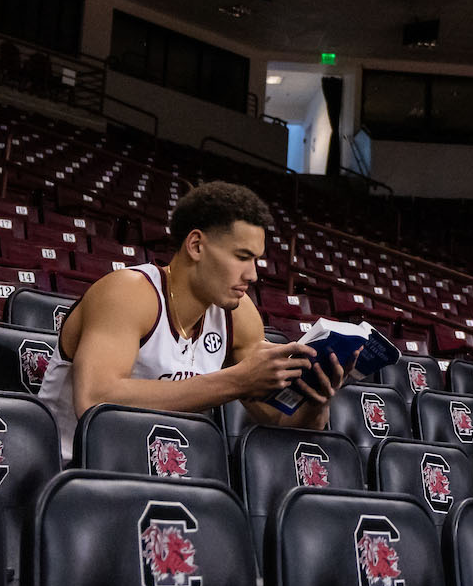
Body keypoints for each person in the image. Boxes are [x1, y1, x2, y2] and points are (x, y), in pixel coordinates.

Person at [37, 181, 354, 460]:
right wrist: (236, 380)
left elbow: (280, 422)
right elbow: (95, 400)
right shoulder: (129, 292)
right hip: (70, 473)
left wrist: (317, 399)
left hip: (163, 477)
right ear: (196, 245)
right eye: (242, 257)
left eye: (256, 260)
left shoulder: (238, 315)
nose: (253, 274)